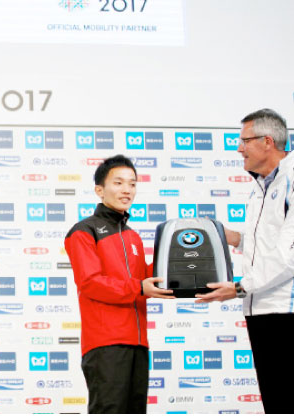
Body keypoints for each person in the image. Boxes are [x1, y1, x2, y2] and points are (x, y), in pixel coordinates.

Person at [196, 109, 294, 413]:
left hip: (285, 310)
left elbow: (288, 255)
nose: (239, 148)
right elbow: (263, 244)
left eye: (244, 141)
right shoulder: (260, 186)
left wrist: (239, 287)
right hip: (260, 307)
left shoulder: (291, 179)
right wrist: (226, 235)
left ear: (267, 141)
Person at [64, 155, 174, 414]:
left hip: (138, 343)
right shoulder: (83, 231)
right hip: (105, 344)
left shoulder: (133, 236)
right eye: (119, 183)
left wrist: (180, 260)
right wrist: (138, 288)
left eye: (133, 184)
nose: (127, 190)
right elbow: (91, 283)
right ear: (99, 190)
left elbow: (146, 277)